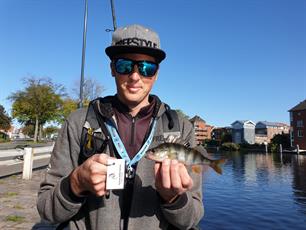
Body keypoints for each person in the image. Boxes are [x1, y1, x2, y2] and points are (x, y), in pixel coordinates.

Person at [37, 24, 204, 230]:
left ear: (156, 74)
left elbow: (192, 220)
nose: (135, 77)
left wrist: (173, 199)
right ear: (112, 69)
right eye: (125, 65)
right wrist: (76, 183)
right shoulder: (79, 122)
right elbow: (46, 209)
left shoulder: (181, 128)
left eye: (146, 68)